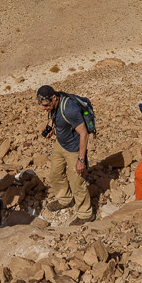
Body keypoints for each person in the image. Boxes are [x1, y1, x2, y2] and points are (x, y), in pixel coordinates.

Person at [36, 85, 93, 224]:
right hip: (60, 144)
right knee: (55, 174)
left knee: (76, 182)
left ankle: (86, 214)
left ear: (54, 98)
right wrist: (50, 126)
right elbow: (54, 115)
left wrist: (81, 159)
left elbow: (84, 134)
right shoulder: (55, 104)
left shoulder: (70, 109)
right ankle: (65, 199)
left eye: (45, 105)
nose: (43, 108)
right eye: (41, 105)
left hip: (74, 149)